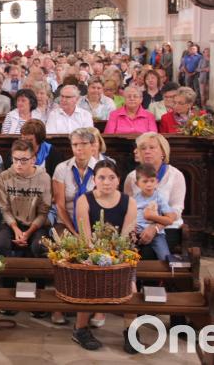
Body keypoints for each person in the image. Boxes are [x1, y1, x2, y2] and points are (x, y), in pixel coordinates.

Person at [71, 160, 138, 352]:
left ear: (118, 180)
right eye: (101, 177)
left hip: (120, 254)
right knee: (87, 284)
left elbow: (126, 237)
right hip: (91, 253)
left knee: (131, 287)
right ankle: (80, 329)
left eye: (111, 177)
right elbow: (85, 237)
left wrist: (114, 259)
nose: (106, 182)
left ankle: (131, 332)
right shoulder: (84, 200)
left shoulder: (129, 202)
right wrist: (97, 258)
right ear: (94, 180)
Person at [123, 132, 186, 250]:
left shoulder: (175, 175)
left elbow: (176, 210)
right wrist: (131, 229)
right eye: (143, 148)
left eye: (152, 147)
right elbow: (128, 208)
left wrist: (155, 228)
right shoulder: (131, 177)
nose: (147, 151)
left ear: (163, 152)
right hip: (138, 228)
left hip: (168, 228)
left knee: (148, 251)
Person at [0, 139, 52, 260]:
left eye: (24, 160)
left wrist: (28, 232)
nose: (19, 164)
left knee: (39, 247)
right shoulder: (4, 177)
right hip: (11, 224)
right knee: (1, 246)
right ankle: (7, 273)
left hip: (35, 224)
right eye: (15, 159)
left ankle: (38, 273)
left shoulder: (44, 178)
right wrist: (16, 229)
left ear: (33, 159)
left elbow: (43, 212)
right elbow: (5, 209)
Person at [52, 129, 98, 235]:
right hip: (66, 223)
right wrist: (74, 232)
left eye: (84, 144)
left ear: (92, 146)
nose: (79, 148)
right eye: (75, 144)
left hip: (94, 223)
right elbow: (60, 206)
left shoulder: (101, 168)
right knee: (66, 241)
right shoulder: (62, 168)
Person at [132, 164, 175, 261]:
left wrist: (151, 217)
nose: (149, 184)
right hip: (137, 233)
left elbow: (169, 220)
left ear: (157, 182)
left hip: (157, 234)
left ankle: (168, 269)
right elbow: (131, 218)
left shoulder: (159, 198)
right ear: (137, 183)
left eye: (152, 181)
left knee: (164, 256)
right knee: (128, 255)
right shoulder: (134, 199)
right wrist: (133, 231)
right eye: (145, 181)